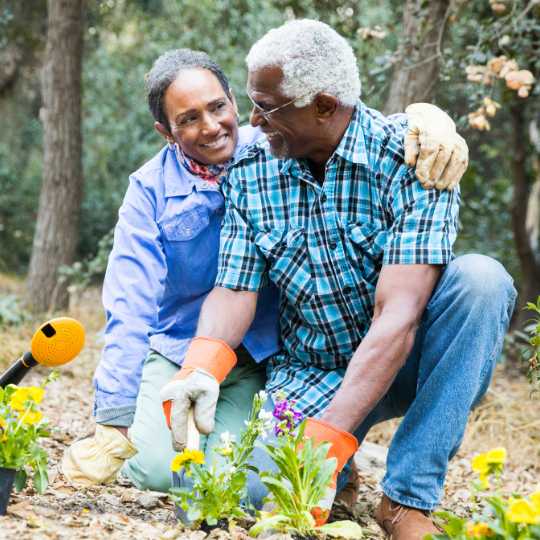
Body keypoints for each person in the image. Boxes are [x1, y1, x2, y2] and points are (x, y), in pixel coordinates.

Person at [162, 20, 517, 540]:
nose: (253, 121)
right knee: (257, 492)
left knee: (482, 280)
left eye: (268, 106)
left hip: (406, 360)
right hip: (313, 369)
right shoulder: (253, 170)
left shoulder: (415, 160)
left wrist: (327, 439)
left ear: (324, 105)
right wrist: (201, 364)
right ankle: (342, 474)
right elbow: (234, 286)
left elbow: (397, 317)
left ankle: (405, 500)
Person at [61, 46, 469, 496]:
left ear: (235, 101)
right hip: (186, 350)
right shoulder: (150, 193)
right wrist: (114, 421)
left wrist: (430, 119)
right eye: (189, 119)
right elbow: (130, 306)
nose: (212, 126)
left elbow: (336, 117)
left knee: (229, 469)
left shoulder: (275, 142)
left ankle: (370, 480)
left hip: (267, 352)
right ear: (166, 131)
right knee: (164, 470)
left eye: (219, 107)